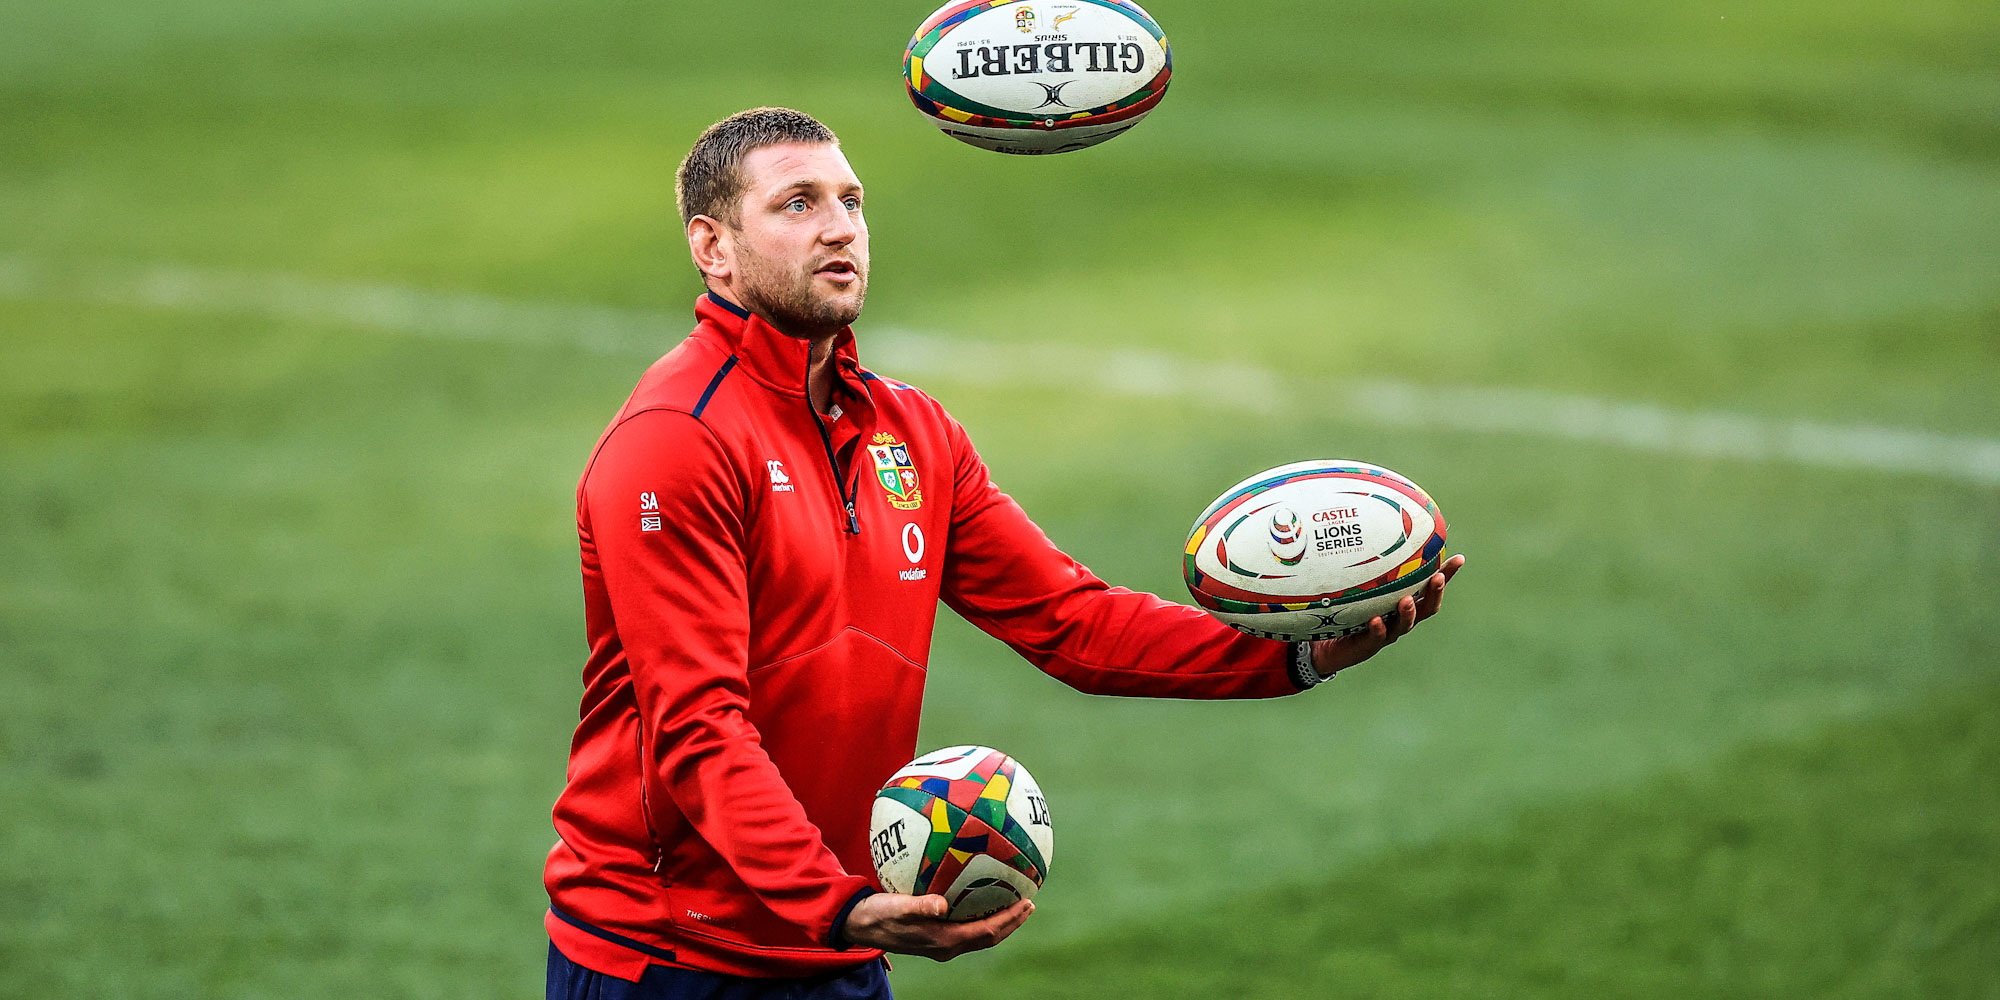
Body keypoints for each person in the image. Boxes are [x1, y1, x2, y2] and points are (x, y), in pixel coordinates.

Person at [542, 107, 1465, 1000]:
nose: (840, 230)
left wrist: (1293, 652)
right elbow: (697, 724)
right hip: (666, 954)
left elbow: (1074, 621)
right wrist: (842, 903)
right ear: (713, 249)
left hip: (836, 948)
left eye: (851, 201)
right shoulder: (677, 440)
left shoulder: (913, 432)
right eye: (798, 204)